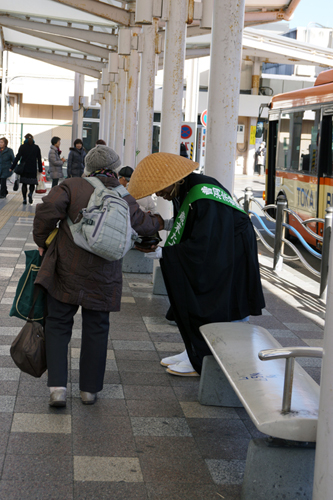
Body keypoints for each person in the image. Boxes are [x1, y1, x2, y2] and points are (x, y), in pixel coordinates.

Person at [33, 145, 163, 407]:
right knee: (97, 328)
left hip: (66, 267)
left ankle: (57, 388)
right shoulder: (123, 195)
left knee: (57, 324)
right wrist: (160, 220)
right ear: (114, 169)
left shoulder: (72, 185)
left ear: (88, 167)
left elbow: (48, 210)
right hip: (104, 273)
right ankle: (88, 391)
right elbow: (144, 225)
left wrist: (42, 241)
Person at [128, 152, 265, 376]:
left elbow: (204, 244)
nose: (159, 194)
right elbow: (189, 226)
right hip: (220, 245)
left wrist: (167, 254)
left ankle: (206, 357)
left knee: (219, 299)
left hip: (231, 251)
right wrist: (165, 227)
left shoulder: (202, 194)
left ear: (176, 180)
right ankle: (194, 350)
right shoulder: (185, 189)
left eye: (161, 188)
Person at [11, 133, 42, 205]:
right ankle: (30, 193)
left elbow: (17, 157)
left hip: (24, 169)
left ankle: (24, 199)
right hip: (33, 168)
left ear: (25, 139)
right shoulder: (36, 147)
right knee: (32, 184)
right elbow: (39, 159)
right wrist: (40, 169)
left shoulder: (22, 147)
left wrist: (12, 167)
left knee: (24, 184)